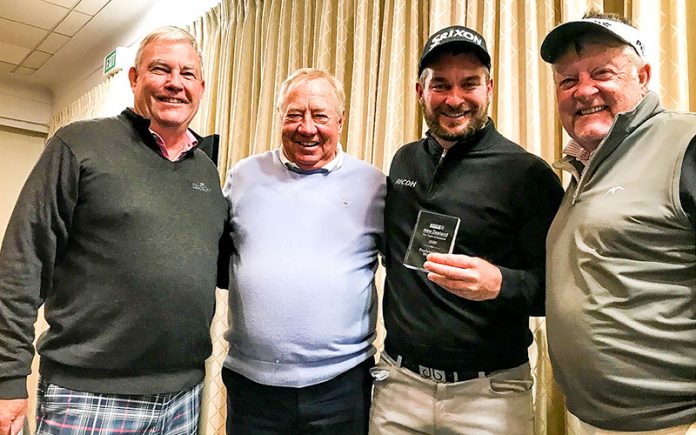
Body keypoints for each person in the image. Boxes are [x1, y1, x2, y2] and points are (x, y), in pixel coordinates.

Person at [0, 26, 227, 435]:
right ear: (134, 78)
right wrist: (7, 378)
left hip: (184, 395)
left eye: (187, 74)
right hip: (88, 396)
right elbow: (22, 261)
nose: (175, 83)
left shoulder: (207, 172)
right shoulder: (79, 144)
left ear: (202, 86)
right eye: (161, 69)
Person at [369, 25, 564, 434]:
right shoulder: (403, 163)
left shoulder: (527, 174)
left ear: (489, 88)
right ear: (420, 92)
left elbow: (560, 289)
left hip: (489, 396)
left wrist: (501, 283)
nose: (454, 99)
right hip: (398, 387)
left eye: (469, 84)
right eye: (440, 85)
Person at [541, 11, 696, 434]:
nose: (583, 91)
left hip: (673, 422)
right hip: (595, 418)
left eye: (602, 73)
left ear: (642, 76)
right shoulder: (583, 167)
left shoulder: (686, 144)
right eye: (567, 80)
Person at [221, 68, 385, 434]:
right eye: (294, 114)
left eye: (320, 115)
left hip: (341, 386)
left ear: (340, 121)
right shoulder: (243, 175)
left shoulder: (373, 184)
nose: (307, 127)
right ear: (280, 117)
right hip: (252, 386)